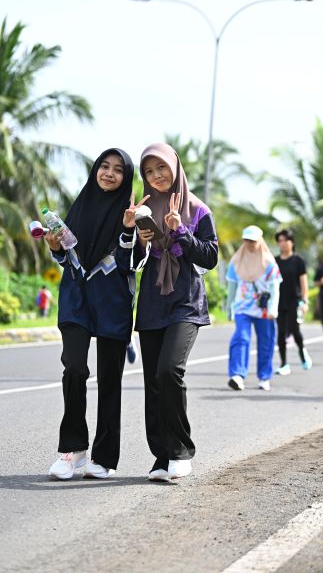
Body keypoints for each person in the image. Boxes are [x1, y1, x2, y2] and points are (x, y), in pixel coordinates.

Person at [45, 148, 148, 480]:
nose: (109, 173)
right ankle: (73, 450)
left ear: (125, 178)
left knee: (109, 380)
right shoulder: (80, 206)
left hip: (113, 304)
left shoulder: (132, 214)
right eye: (104, 166)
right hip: (76, 300)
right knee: (74, 368)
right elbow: (68, 258)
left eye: (118, 170)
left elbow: (132, 263)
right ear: (95, 170)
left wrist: (129, 228)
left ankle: (104, 457)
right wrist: (55, 248)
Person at [133, 142, 218, 482]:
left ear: (175, 168)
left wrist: (181, 231)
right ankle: (161, 456)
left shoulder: (197, 209)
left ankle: (181, 451)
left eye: (161, 168)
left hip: (185, 300)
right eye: (149, 171)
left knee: (169, 371)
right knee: (152, 382)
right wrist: (135, 236)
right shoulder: (141, 210)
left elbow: (210, 256)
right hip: (152, 301)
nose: (156, 176)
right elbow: (131, 261)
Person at [226, 225, 282, 392]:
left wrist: (273, 308)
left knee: (266, 341)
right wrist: (229, 307)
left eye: (253, 240)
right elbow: (232, 287)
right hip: (242, 308)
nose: (250, 244)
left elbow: (275, 288)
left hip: (264, 310)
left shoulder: (269, 263)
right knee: (241, 338)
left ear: (260, 241)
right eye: (247, 240)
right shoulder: (236, 261)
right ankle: (237, 375)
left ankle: (264, 377)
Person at [274, 229, 312, 375]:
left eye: (286, 240)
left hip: (294, 301)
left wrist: (305, 301)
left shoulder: (298, 261)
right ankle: (284, 363)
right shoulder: (275, 261)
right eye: (280, 241)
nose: (283, 243)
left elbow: (303, 283)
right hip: (279, 301)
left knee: (295, 330)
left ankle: (302, 351)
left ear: (292, 242)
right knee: (281, 333)